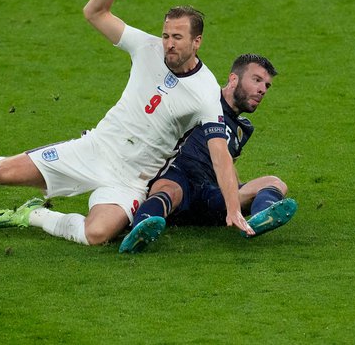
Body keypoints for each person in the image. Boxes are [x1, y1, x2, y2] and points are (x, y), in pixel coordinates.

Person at [0, 0, 254, 245]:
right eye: (166, 35)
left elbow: (220, 156)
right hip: (95, 149)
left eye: (178, 37)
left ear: (197, 41)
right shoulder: (147, 48)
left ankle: (32, 215)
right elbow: (95, 12)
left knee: (97, 235)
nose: (169, 43)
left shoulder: (205, 92)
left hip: (132, 178)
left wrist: (233, 207)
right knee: (2, 172)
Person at [119, 54, 297, 254]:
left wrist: (238, 194)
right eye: (257, 80)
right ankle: (140, 229)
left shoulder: (243, 129)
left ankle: (260, 219)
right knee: (169, 189)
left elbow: (229, 164)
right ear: (233, 79)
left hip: (208, 196)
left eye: (267, 85)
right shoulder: (202, 97)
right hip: (178, 178)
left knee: (275, 183)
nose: (262, 89)